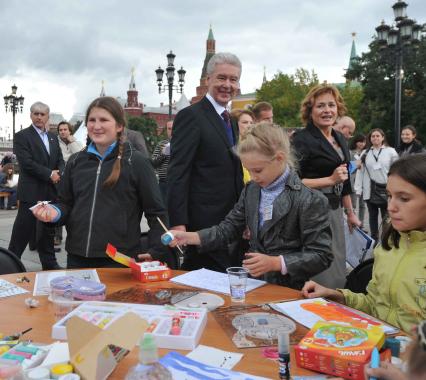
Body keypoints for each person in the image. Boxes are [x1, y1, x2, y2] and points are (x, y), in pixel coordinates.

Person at [167, 123, 332, 289]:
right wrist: (190, 237)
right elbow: (228, 228)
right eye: (248, 170)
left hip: (289, 289)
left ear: (280, 158)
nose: (253, 177)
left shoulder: (310, 200)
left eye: (258, 170)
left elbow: (321, 255)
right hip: (252, 283)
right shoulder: (252, 190)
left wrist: (277, 263)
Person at [32, 96, 168, 269]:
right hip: (77, 256)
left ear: (119, 126)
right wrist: (54, 212)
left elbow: (156, 212)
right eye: (92, 120)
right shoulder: (75, 161)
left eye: (104, 120)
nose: (96, 126)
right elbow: (65, 203)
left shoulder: (137, 162)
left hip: (119, 259)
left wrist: (157, 249)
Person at [302, 153, 426, 333]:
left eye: (404, 198)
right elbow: (374, 304)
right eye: (389, 196)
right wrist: (336, 295)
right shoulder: (389, 246)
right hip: (379, 351)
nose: (391, 206)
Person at [167, 52, 244, 272]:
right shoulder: (191, 116)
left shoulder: (231, 121)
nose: (227, 85)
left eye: (233, 79)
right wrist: (178, 222)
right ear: (208, 80)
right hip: (201, 224)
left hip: (229, 224)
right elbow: (178, 172)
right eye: (221, 78)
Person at [292, 84, 360, 288]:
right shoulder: (301, 139)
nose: (327, 110)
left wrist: (350, 213)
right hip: (312, 211)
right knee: (321, 259)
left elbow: (345, 178)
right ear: (310, 110)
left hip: (335, 208)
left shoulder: (339, 137)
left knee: (337, 257)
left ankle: (334, 301)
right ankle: (317, 302)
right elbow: (292, 181)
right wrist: (329, 180)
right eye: (320, 106)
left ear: (338, 108)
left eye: (331, 105)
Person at [9, 101, 64, 270]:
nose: (39, 117)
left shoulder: (54, 137)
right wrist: (50, 174)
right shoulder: (22, 136)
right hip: (31, 193)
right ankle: (9, 264)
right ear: (31, 115)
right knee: (22, 232)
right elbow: (27, 163)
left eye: (42, 114)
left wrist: (60, 172)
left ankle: (49, 264)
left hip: (50, 193)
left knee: (47, 231)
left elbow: (60, 159)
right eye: (36, 113)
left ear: (47, 116)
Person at [355, 128, 398, 241]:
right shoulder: (365, 153)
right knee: (372, 216)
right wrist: (358, 189)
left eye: (378, 136)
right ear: (370, 139)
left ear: (383, 138)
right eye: (373, 136)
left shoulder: (391, 151)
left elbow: (397, 170)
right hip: (369, 189)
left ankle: (386, 239)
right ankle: (374, 239)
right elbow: (360, 172)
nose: (375, 138)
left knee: (386, 216)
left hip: (386, 189)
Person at [55, 121, 84, 247]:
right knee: (59, 205)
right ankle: (57, 236)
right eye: (60, 130)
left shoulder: (76, 142)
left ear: (70, 130)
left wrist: (72, 142)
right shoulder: (54, 143)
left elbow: (81, 156)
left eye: (65, 129)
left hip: (75, 179)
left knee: (74, 208)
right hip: (60, 178)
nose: (62, 132)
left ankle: (74, 235)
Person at [151, 120, 173, 204]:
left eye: (174, 128)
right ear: (166, 130)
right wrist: (163, 154)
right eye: (169, 129)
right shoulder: (161, 144)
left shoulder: (184, 144)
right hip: (164, 182)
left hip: (179, 183)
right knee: (164, 210)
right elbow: (153, 163)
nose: (172, 131)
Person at [231, 109, 255, 183]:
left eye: (251, 123)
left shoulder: (254, 146)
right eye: (245, 122)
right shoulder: (230, 147)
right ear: (234, 124)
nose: (249, 126)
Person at [349, 134, 367, 225]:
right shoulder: (350, 153)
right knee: (353, 205)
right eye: (360, 141)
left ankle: (361, 224)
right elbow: (349, 167)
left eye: (364, 142)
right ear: (356, 142)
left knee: (362, 205)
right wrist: (357, 165)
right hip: (353, 181)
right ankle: (353, 223)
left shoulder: (367, 152)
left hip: (363, 181)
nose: (362, 144)